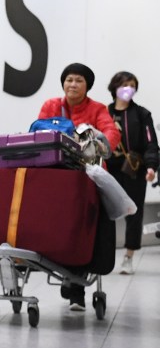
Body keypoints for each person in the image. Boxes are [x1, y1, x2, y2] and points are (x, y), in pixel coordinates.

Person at [37, 62, 120, 311]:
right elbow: (38, 132)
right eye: (69, 79)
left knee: (83, 228)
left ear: (87, 86)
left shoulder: (98, 109)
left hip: (88, 178)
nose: (73, 84)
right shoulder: (51, 106)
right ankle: (62, 270)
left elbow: (111, 134)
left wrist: (100, 141)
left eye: (79, 80)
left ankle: (76, 289)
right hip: (57, 177)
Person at [105, 71, 158, 275]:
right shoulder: (105, 112)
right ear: (115, 87)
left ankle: (128, 256)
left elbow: (151, 142)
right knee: (104, 214)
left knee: (134, 214)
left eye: (132, 85)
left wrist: (152, 166)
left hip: (134, 171)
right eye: (124, 85)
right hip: (109, 171)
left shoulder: (142, 114)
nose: (128, 89)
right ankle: (103, 256)